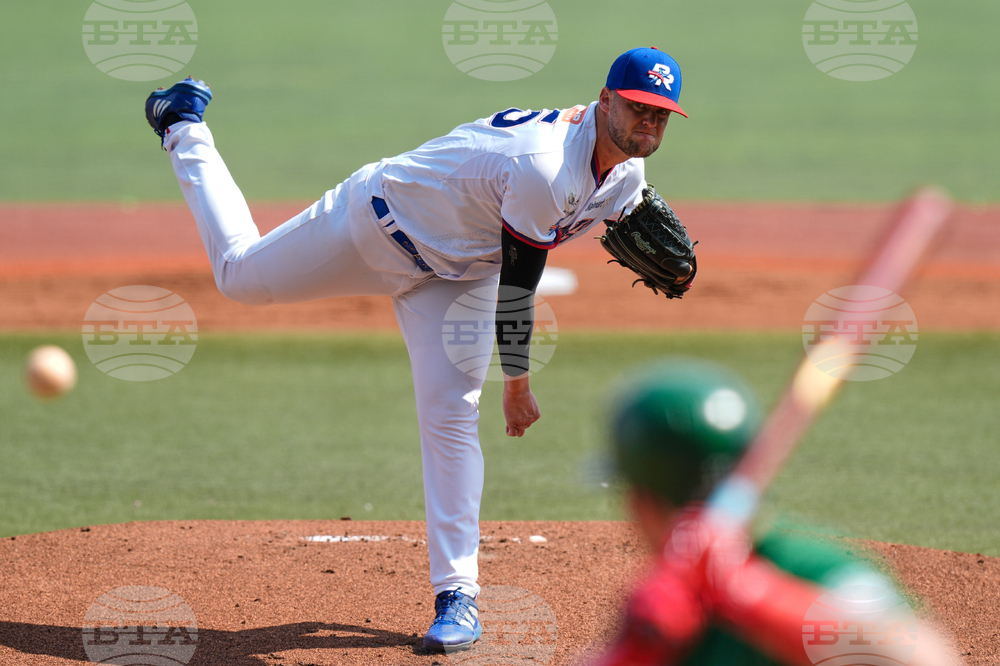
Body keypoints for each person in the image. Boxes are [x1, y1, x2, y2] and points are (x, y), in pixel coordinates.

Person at [144, 47, 690, 652]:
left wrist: (681, 271)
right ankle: (183, 124)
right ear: (606, 99)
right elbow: (518, 287)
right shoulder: (543, 168)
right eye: (639, 108)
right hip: (375, 225)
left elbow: (625, 215)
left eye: (662, 114)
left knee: (452, 413)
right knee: (238, 275)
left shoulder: (626, 176)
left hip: (457, 275)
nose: (650, 123)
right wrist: (518, 387)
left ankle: (457, 597)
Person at [594, 359, 958, 666]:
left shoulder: (808, 567)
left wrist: (749, 593)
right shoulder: (662, 605)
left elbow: (925, 658)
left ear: (643, 500)